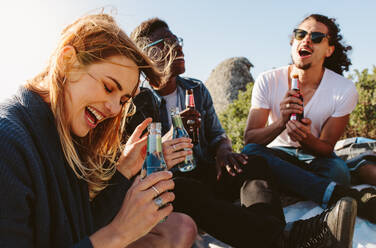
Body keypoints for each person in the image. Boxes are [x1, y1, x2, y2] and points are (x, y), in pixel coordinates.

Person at [128, 17, 358, 248]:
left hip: (205, 173)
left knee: (253, 162)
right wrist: (166, 144)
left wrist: (225, 152)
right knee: (186, 188)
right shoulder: (136, 102)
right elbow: (131, 165)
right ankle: (287, 237)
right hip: (171, 182)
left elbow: (218, 135)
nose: (178, 46)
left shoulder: (195, 89)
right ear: (146, 55)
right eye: (166, 42)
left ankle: (274, 234)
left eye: (176, 39)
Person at [0, 13, 198, 248]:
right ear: (67, 62)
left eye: (124, 100)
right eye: (108, 87)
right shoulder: (9, 143)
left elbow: (81, 227)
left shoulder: (68, 132)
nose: (114, 109)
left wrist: (125, 169)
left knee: (178, 230)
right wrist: (119, 234)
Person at [243, 14, 376, 223]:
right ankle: (335, 194)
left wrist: (305, 138)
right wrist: (280, 123)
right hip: (278, 154)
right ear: (293, 42)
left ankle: (297, 184)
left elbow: (326, 147)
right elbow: (250, 139)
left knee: (338, 170)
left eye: (316, 37)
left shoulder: (343, 89)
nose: (306, 40)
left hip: (315, 157)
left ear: (329, 50)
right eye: (300, 34)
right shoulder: (268, 80)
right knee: (250, 154)